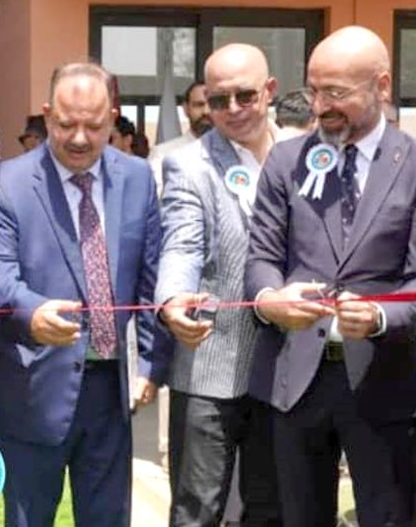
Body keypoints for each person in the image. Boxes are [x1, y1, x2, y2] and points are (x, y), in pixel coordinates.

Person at [246, 25, 416, 526]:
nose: (319, 105)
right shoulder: (287, 161)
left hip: (388, 382)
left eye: (336, 92)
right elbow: (261, 257)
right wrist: (270, 298)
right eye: (314, 90)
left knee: (391, 517)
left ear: (381, 86)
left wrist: (380, 314)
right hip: (297, 380)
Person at [0, 61, 168, 526]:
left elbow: (150, 279)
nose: (80, 138)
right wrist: (31, 312)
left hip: (113, 391)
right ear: (47, 116)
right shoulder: (9, 182)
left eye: (94, 125)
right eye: (67, 125)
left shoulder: (138, 177)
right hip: (34, 388)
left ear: (113, 117)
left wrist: (149, 362)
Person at [156, 44, 281, 526]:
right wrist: (171, 301)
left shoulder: (303, 157)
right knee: (197, 510)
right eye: (218, 99)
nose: (232, 110)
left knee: (273, 508)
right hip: (209, 363)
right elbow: (181, 244)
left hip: (285, 370)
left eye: (244, 96)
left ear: (269, 91)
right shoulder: (189, 165)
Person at [149, 82, 213, 185]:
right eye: (199, 105)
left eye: (212, 104)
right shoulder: (163, 154)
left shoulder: (235, 151)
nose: (206, 111)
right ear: (186, 109)